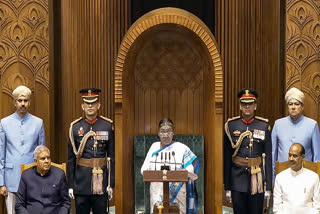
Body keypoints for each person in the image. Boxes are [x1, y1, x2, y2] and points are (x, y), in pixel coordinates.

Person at [223, 89, 272, 214]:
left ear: (255, 106)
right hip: (237, 179)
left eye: (250, 103)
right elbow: (227, 158)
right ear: (240, 105)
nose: (247, 106)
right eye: (244, 104)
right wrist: (227, 186)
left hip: (257, 179)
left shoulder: (263, 126)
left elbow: (268, 158)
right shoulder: (231, 126)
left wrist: (268, 187)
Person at [67, 88, 115, 214]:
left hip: (101, 181)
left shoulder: (107, 126)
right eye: (87, 103)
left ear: (98, 105)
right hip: (81, 182)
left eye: (93, 103)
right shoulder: (75, 127)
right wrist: (71, 185)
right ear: (82, 106)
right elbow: (71, 159)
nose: (90, 106)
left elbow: (111, 158)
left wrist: (111, 184)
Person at [0, 85, 45, 214]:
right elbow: (1, 154)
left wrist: (42, 178)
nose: (23, 104)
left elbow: (42, 154)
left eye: (25, 101)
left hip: (33, 178)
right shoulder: (4, 123)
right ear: (15, 102)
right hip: (10, 179)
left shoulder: (38, 123)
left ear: (29, 102)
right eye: (20, 101)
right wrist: (1, 183)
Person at [141, 118, 199, 214]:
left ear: (173, 133)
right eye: (162, 132)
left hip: (178, 192)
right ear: (158, 133)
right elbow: (143, 170)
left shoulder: (182, 148)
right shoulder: (154, 147)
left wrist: (184, 172)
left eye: (168, 131)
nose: (165, 135)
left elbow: (191, 168)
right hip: (157, 192)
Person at [272, 87, 320, 181]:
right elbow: (273, 154)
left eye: (296, 104)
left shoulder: (312, 125)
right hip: (282, 175)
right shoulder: (278, 124)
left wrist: (316, 179)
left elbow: (317, 156)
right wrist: (273, 178)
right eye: (290, 104)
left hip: (306, 176)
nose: (293, 107)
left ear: (302, 107)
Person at [15, 145, 70, 213]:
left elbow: (66, 203)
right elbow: (19, 204)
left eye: (48, 158)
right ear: (35, 161)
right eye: (43, 159)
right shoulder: (26, 175)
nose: (46, 161)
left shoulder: (59, 174)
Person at [273, 143, 320, 214]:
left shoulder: (314, 177)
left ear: (303, 157)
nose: (291, 159)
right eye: (289, 155)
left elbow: (317, 206)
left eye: (295, 156)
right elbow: (277, 207)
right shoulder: (280, 177)